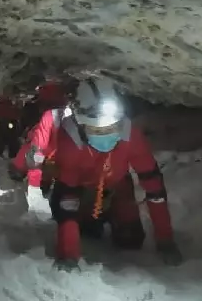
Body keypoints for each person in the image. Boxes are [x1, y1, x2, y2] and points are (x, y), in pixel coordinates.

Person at [47, 75, 183, 271]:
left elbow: (154, 186)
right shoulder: (70, 140)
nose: (106, 135)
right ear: (81, 125)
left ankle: (111, 220)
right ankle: (90, 222)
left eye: (112, 129)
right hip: (82, 191)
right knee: (87, 230)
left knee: (131, 240)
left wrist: (165, 240)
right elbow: (68, 198)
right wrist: (68, 255)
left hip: (116, 185)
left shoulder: (130, 134)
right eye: (97, 131)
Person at [0, 93, 23, 158]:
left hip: (10, 120)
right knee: (3, 136)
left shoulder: (13, 99)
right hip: (3, 119)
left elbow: (18, 110)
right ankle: (1, 152)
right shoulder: (1, 100)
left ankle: (11, 155)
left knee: (11, 137)